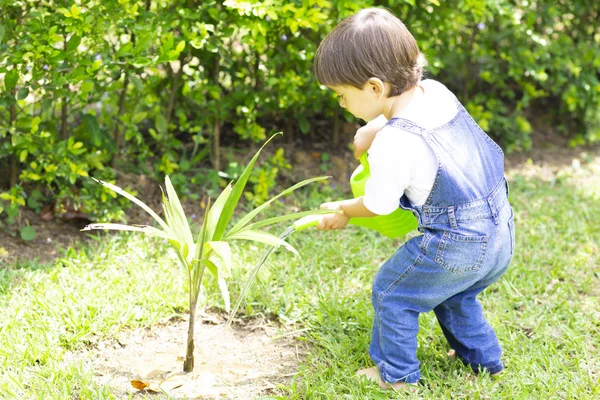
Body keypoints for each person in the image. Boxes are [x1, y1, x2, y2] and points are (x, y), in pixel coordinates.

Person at [312, 7, 515, 390]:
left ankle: (397, 375)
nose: (341, 104)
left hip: (457, 243)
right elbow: (407, 116)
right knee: (454, 291)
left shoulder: (394, 143)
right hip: (500, 230)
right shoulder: (435, 91)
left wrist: (343, 210)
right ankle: (484, 360)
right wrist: (372, 127)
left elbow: (379, 205)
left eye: (341, 96)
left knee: (393, 291)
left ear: (374, 88)